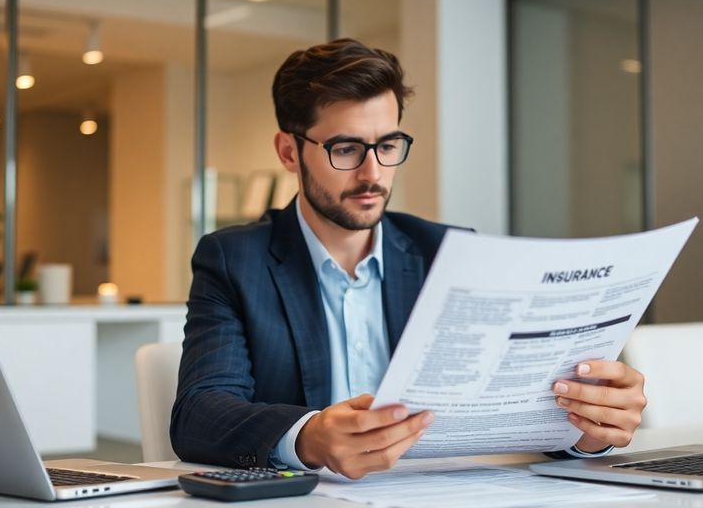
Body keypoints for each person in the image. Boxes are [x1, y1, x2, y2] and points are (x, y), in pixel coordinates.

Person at [170, 38, 647, 480]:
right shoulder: (235, 259)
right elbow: (199, 412)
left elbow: (510, 408)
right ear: (289, 152)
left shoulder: (450, 253)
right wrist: (308, 436)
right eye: (346, 148)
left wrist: (583, 433)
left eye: (388, 145)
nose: (372, 173)